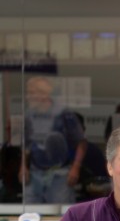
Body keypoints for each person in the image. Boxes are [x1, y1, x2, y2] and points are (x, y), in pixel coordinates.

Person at [20, 76, 87, 204]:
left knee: (60, 211)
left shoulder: (63, 114)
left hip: (59, 174)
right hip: (35, 172)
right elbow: (27, 144)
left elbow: (81, 142)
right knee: (29, 211)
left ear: (44, 94)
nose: (27, 97)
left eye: (31, 93)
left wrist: (75, 168)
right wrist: (23, 167)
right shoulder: (29, 115)